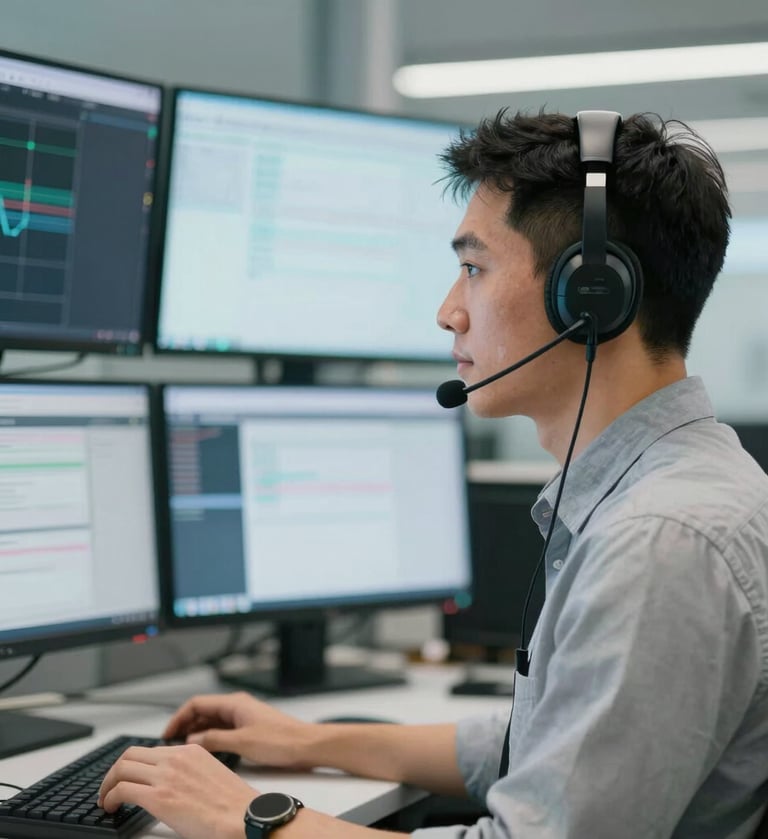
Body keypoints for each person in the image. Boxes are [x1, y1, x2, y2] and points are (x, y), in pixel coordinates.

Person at [98, 110, 768, 839]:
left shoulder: (661, 541)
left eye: (474, 268)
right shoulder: (674, 491)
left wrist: (251, 816)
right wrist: (307, 741)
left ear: (590, 295)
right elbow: (541, 744)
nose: (448, 312)